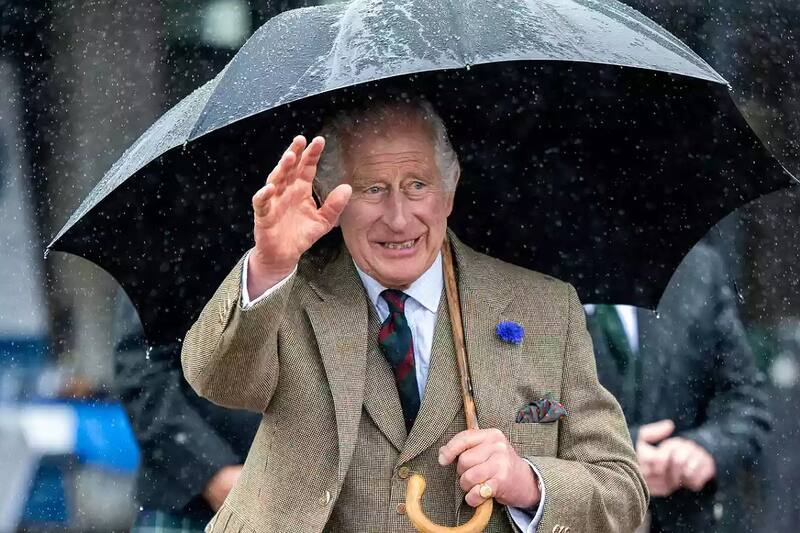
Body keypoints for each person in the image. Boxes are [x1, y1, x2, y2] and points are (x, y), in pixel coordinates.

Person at [181, 99, 648, 533]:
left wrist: (528, 481)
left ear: (449, 190)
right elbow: (219, 380)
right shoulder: (288, 291)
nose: (399, 218)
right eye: (373, 189)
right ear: (329, 198)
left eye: (417, 185)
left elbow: (622, 493)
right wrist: (271, 265)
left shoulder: (545, 308)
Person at [586, 241, 771, 532]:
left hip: (681, 519)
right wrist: (621, 454)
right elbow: (525, 415)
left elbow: (746, 402)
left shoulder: (697, 269)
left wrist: (703, 448)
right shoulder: (532, 280)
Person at [113, 294, 261, 532]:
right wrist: (212, 472)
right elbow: (141, 373)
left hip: (307, 502)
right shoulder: (159, 258)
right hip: (188, 505)